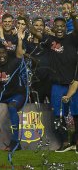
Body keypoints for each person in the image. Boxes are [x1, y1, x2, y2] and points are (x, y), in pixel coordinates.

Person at [40, 16, 78, 152]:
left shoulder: (72, 39)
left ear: (66, 27)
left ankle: (75, 141)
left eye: (62, 26)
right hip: (57, 85)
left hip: (73, 84)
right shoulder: (50, 40)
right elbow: (36, 33)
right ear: (53, 28)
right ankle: (65, 141)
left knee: (76, 114)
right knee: (57, 116)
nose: (60, 28)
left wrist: (74, 17)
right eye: (57, 26)